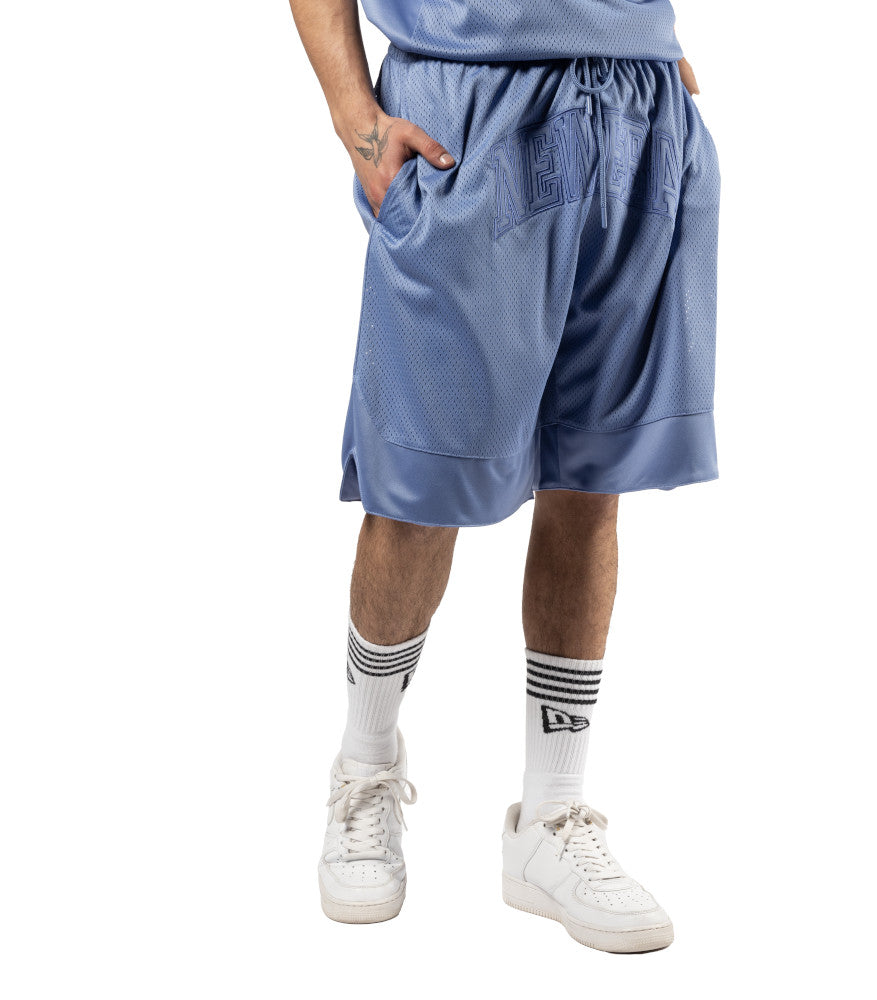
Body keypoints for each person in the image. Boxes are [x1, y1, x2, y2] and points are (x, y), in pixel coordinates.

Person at [289, 0, 719, 953]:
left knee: (591, 479)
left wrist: (649, 45)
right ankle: (365, 770)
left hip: (638, 110)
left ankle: (551, 818)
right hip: (468, 112)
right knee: (419, 487)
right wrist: (357, 119)